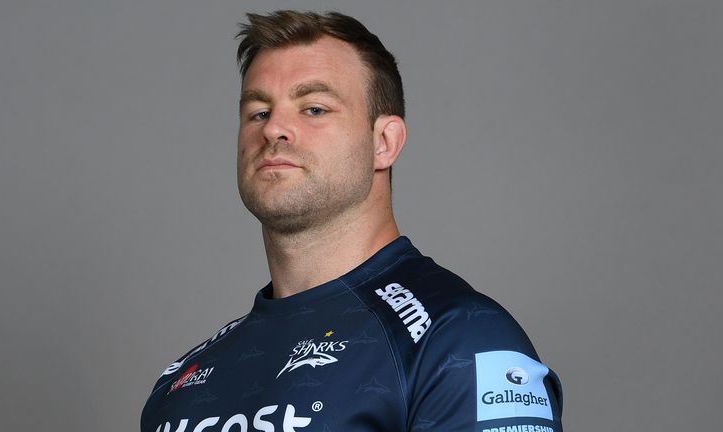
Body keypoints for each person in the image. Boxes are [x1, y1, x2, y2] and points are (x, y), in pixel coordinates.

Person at [141, 10, 563, 432]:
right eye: (258, 112)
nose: (274, 130)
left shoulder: (460, 342)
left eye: (314, 108)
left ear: (383, 143)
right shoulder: (185, 380)